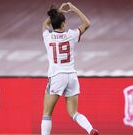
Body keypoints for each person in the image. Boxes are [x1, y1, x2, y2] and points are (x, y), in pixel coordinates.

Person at [41, 2, 99, 135]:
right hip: (72, 76)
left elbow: (44, 25)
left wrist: (56, 12)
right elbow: (87, 23)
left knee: (47, 113)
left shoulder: (47, 37)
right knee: (73, 112)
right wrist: (74, 9)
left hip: (56, 76)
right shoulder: (71, 35)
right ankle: (90, 129)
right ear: (63, 24)